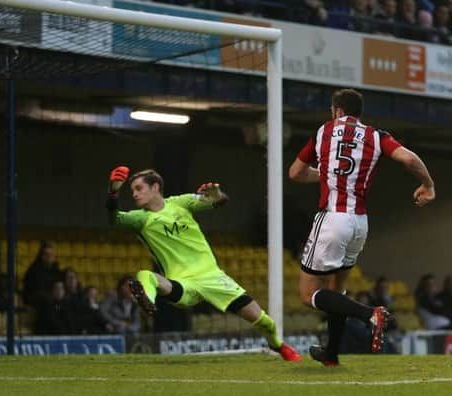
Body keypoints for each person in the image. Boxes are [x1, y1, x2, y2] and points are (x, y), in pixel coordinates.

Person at [289, 88, 435, 366]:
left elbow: (295, 172)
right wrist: (428, 185)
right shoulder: (376, 136)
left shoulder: (324, 131)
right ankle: (331, 354)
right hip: (359, 223)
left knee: (309, 295)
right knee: (336, 290)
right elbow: (409, 159)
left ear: (338, 111)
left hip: (332, 219)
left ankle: (370, 313)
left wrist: (325, 175)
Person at [105, 167, 300, 361]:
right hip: (182, 283)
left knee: (266, 323)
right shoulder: (141, 219)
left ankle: (278, 345)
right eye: (132, 191)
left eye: (139, 188)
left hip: (212, 277)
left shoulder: (180, 203)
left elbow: (218, 201)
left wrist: (217, 194)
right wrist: (113, 191)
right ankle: (148, 300)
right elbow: (114, 219)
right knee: (145, 275)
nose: (134, 194)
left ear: (155, 187)